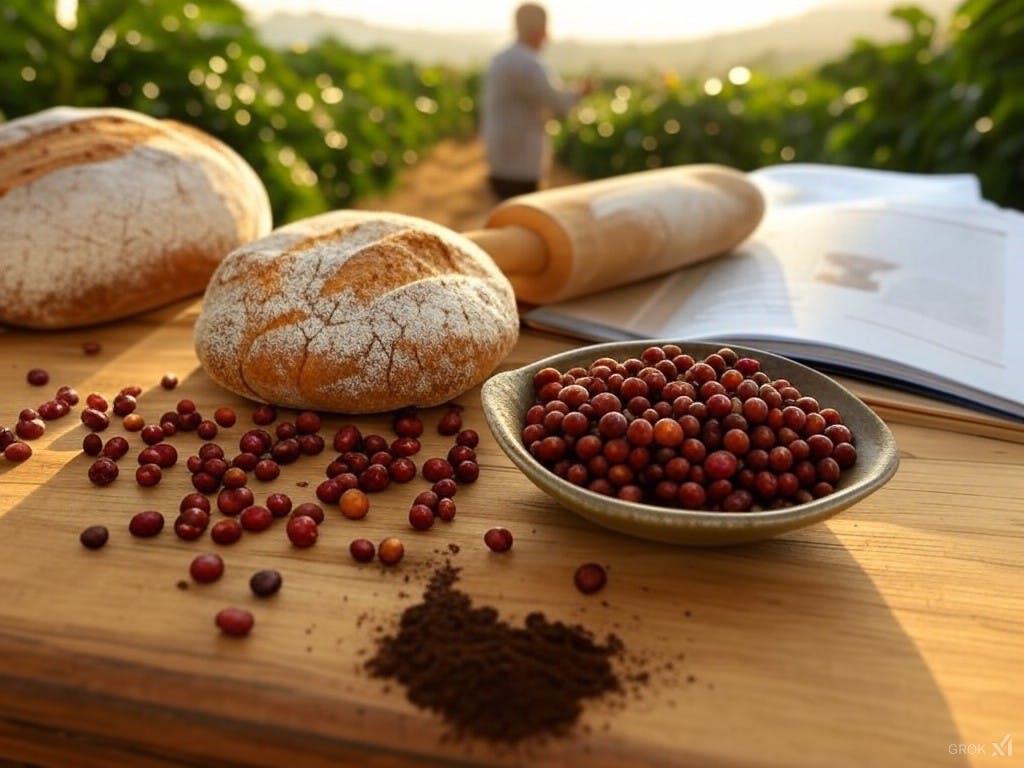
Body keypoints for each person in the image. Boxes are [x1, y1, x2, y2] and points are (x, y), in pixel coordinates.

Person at [481, 3, 591, 200]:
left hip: (500, 154)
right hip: (522, 160)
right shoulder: (531, 65)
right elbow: (559, 102)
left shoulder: (500, 59)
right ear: (541, 31)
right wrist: (580, 92)